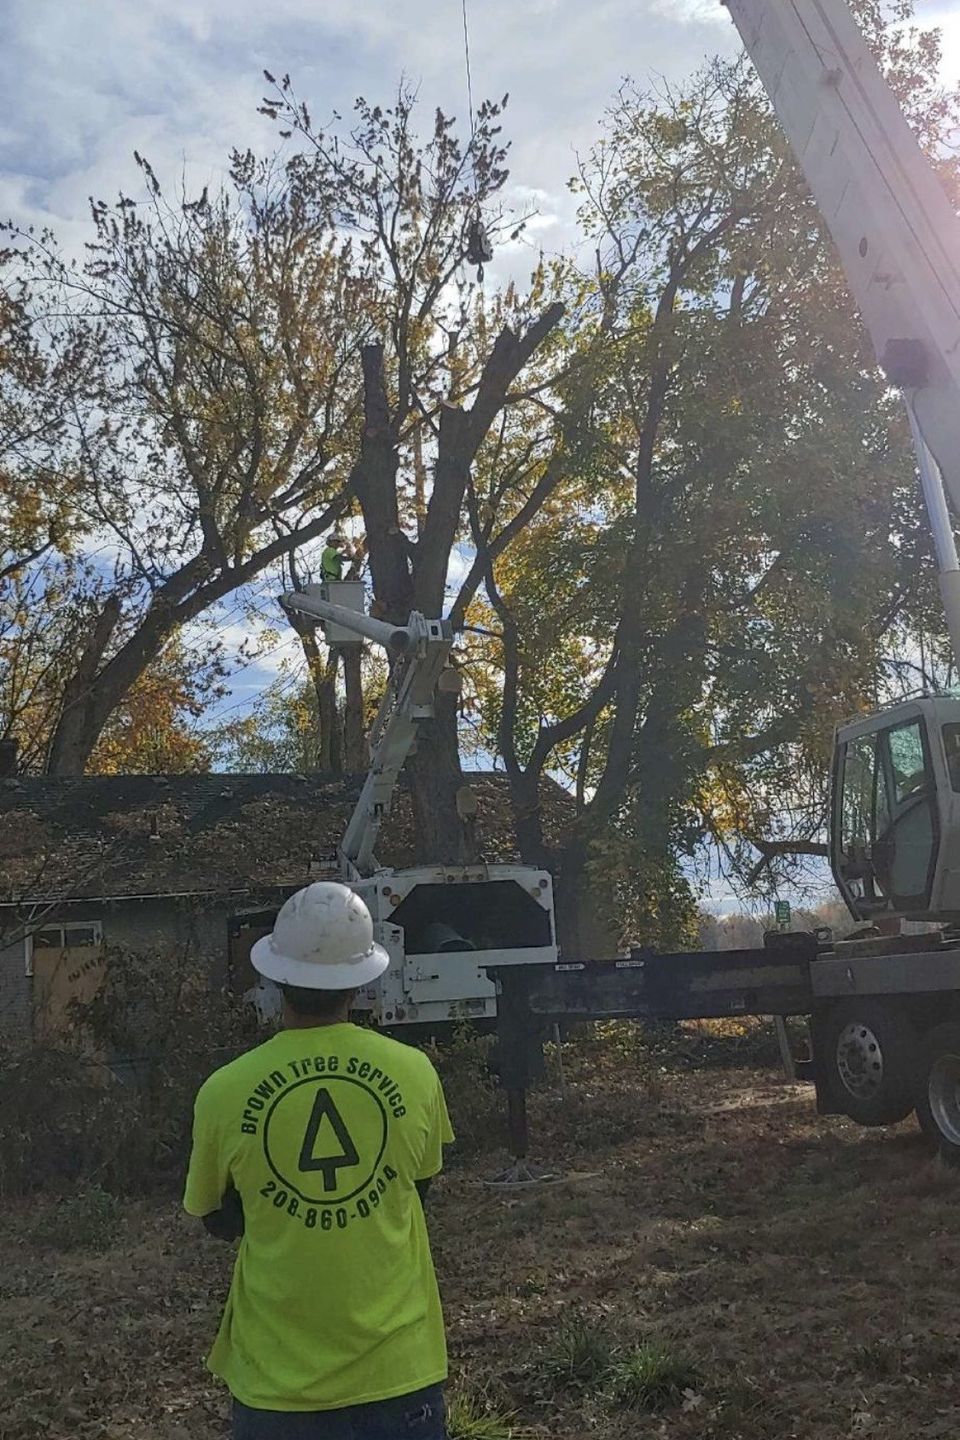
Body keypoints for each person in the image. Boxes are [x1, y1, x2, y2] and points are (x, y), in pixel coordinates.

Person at [184, 882, 454, 1439]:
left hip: (278, 1385)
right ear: (362, 979)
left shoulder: (224, 1091)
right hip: (400, 1373)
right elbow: (417, 1188)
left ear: (276, 976)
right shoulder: (415, 1072)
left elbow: (213, 1217)